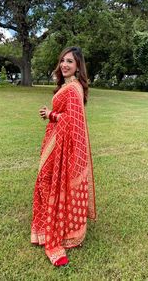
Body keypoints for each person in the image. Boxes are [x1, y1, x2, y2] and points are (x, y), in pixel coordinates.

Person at [31, 46, 96, 266]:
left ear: (78, 67)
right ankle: (46, 224)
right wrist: (52, 116)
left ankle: (59, 228)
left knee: (49, 181)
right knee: (44, 180)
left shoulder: (73, 88)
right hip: (54, 140)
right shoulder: (67, 86)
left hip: (62, 143)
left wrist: (51, 115)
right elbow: (67, 116)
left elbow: (72, 121)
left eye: (70, 62)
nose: (64, 65)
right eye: (62, 61)